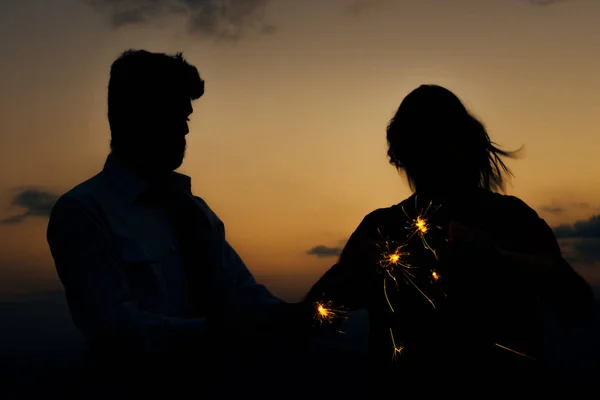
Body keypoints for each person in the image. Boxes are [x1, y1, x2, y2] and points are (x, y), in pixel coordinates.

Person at [46, 49, 313, 398]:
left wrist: (304, 313)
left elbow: (244, 295)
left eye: (187, 117)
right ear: (136, 115)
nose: (186, 130)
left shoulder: (196, 212)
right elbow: (115, 331)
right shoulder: (83, 212)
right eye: (174, 114)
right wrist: (221, 334)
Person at [304, 84, 596, 394]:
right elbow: (316, 320)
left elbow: (578, 307)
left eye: (436, 146)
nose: (429, 163)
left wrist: (498, 260)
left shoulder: (513, 220)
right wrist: (351, 274)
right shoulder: (380, 229)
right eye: (418, 150)